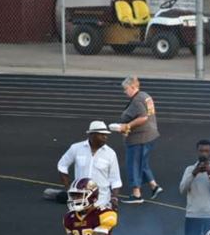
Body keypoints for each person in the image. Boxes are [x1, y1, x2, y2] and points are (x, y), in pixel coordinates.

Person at [52, 121, 122, 208]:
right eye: (101, 134)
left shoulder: (110, 153)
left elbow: (116, 180)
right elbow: (62, 165)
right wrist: (69, 188)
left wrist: (114, 198)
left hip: (102, 203)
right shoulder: (76, 148)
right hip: (80, 202)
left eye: (106, 135)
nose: (105, 137)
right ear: (91, 135)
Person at [117, 76, 163, 205]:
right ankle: (154, 186)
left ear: (133, 87)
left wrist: (127, 126)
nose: (124, 91)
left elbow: (143, 117)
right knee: (142, 163)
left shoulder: (137, 100)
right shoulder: (145, 95)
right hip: (150, 135)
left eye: (126, 89)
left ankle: (136, 194)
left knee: (133, 164)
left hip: (139, 138)